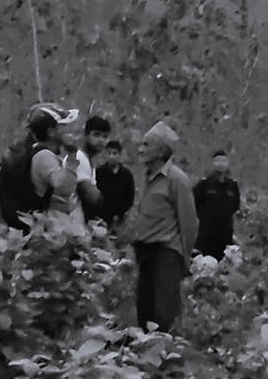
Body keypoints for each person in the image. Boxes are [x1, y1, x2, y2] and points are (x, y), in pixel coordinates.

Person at [132, 121, 198, 331]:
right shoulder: (147, 177)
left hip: (167, 252)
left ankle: (164, 357)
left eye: (146, 145)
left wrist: (184, 258)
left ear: (161, 152)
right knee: (144, 310)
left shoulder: (177, 180)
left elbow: (189, 222)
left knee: (163, 313)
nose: (140, 150)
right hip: (146, 251)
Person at [25, 104, 100, 226]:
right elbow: (65, 189)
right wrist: (71, 156)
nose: (68, 129)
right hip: (50, 228)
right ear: (51, 132)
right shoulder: (44, 156)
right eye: (63, 126)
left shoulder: (48, 154)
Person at [85, 116, 135, 229]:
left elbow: (129, 196)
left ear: (120, 155)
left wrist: (121, 213)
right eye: (109, 153)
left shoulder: (126, 175)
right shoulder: (99, 172)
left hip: (120, 219)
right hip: (100, 218)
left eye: (115, 154)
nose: (112, 157)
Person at [193, 149, 241, 259]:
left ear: (228, 163)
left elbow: (235, 207)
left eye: (223, 161)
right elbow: (193, 204)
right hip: (207, 233)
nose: (221, 164)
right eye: (217, 161)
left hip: (225, 233)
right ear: (213, 163)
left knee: (225, 265)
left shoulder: (232, 185)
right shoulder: (204, 184)